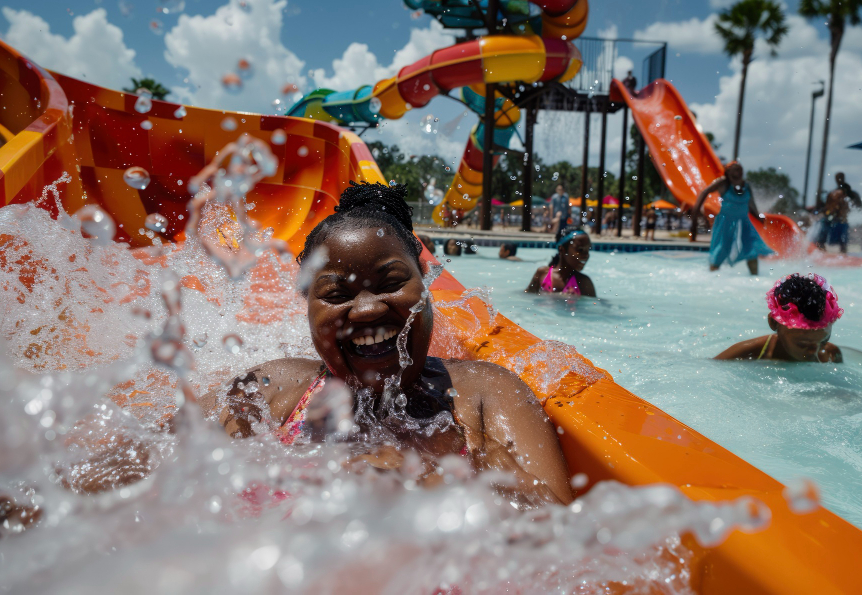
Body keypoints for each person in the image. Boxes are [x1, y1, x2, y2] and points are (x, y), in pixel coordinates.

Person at [202, 182, 573, 506]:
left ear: (425, 281)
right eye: (336, 294)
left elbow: (561, 543)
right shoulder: (271, 391)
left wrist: (461, 478)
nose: (367, 309)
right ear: (307, 304)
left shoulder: (486, 395)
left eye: (391, 282)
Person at [715, 273, 844, 362]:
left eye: (823, 342)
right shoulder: (746, 353)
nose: (814, 352)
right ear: (774, 323)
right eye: (802, 344)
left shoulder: (830, 355)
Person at [690, 161, 774, 275]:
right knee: (722, 249)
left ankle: (755, 278)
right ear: (728, 171)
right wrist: (696, 209)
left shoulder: (746, 186)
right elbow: (705, 192)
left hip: (744, 222)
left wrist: (758, 217)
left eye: (740, 169)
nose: (739, 172)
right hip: (726, 221)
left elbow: (751, 204)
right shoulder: (723, 183)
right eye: (736, 169)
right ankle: (711, 275)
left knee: (752, 248)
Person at [526, 227, 596, 297]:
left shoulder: (584, 282)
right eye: (580, 250)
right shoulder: (542, 273)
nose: (586, 255)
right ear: (562, 249)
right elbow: (527, 297)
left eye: (588, 250)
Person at [816, 173, 862, 253]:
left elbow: (858, 205)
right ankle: (823, 251)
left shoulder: (845, 193)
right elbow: (827, 206)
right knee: (825, 238)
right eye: (838, 178)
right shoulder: (835, 193)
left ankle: (838, 253)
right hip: (833, 218)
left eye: (840, 177)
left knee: (842, 241)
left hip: (840, 219)